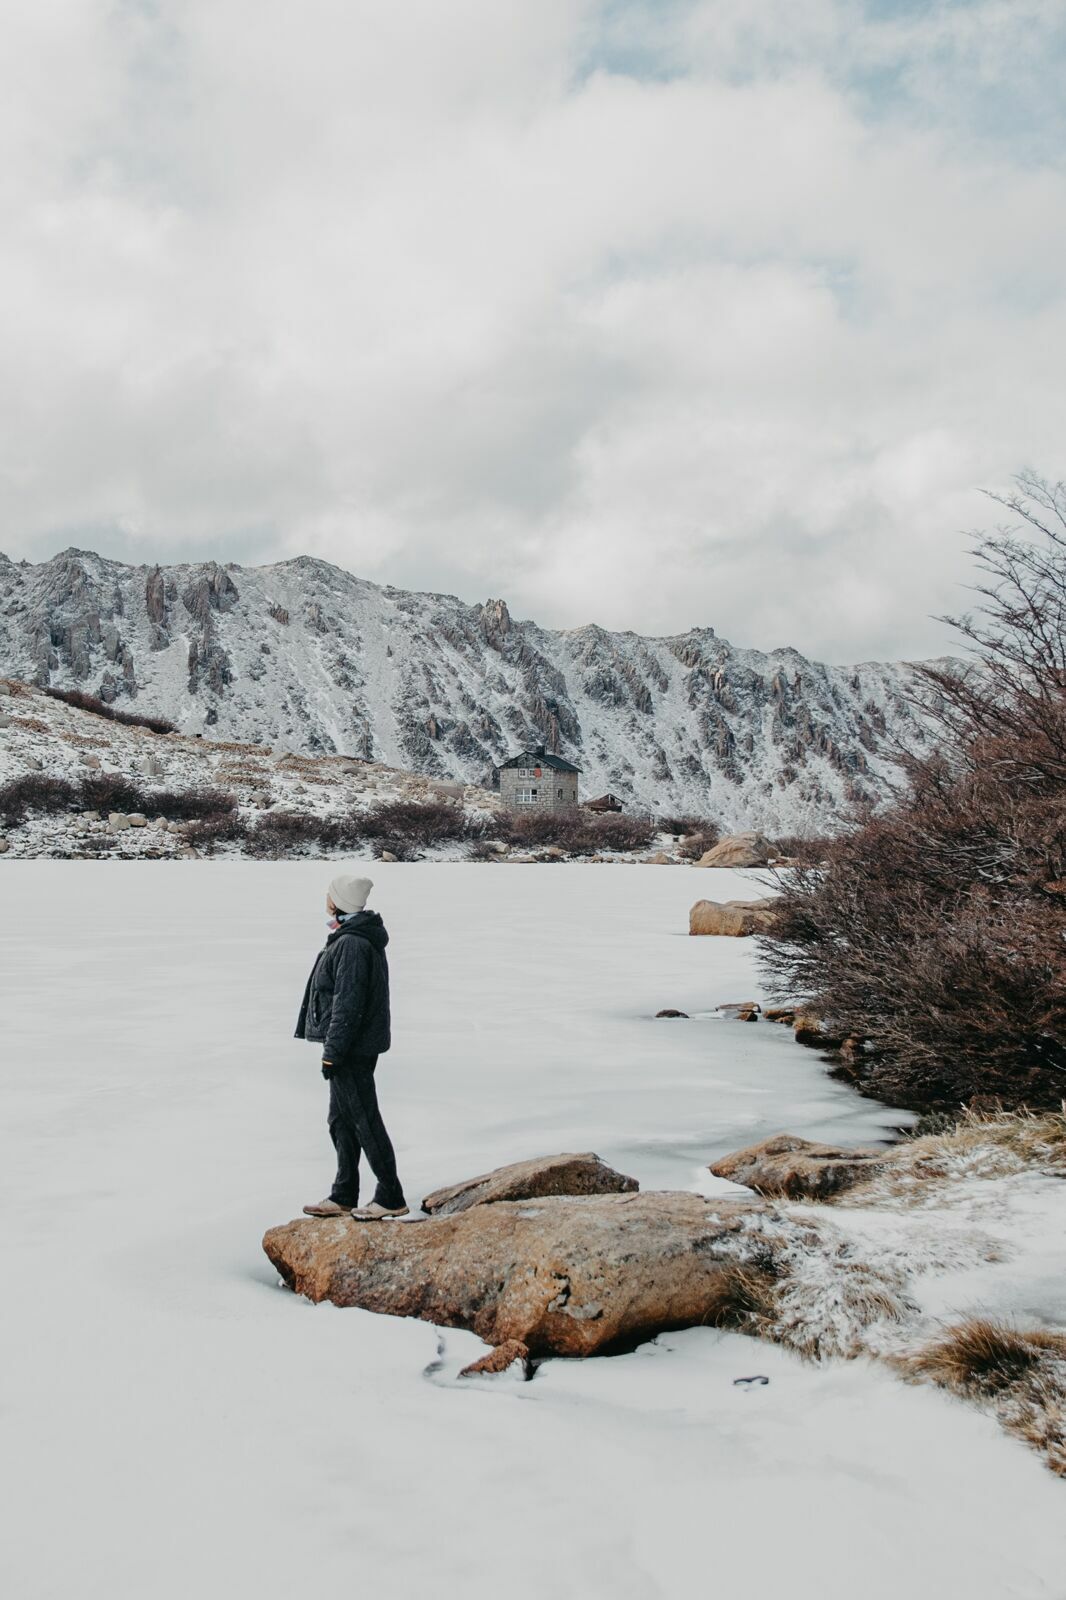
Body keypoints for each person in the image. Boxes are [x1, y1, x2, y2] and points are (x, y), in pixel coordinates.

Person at [295, 873, 408, 1220]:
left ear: (339, 901)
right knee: (341, 1120)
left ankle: (390, 1195)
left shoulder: (352, 944)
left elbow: (349, 1002)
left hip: (351, 1049)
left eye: (329, 895)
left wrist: (333, 1052)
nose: (325, 899)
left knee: (364, 1120)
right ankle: (344, 1193)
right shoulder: (350, 937)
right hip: (350, 1046)